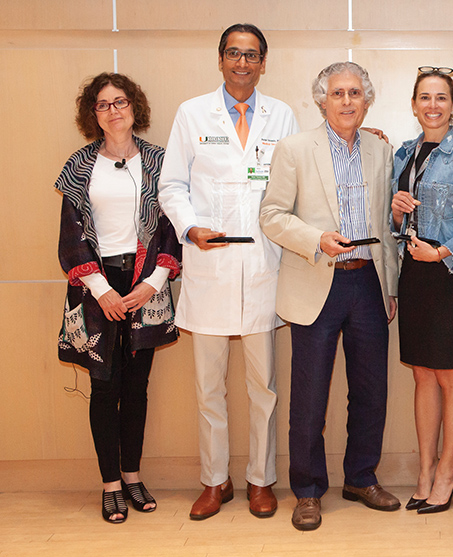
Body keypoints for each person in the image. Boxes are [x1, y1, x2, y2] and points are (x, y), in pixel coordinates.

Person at [158, 23, 300, 521]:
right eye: (234, 54)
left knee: (264, 388)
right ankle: (214, 481)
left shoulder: (282, 115)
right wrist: (190, 227)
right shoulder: (192, 113)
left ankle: (261, 481)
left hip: (263, 266)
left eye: (252, 55)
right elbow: (171, 184)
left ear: (264, 62)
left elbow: (299, 176)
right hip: (210, 264)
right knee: (208, 387)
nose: (243, 63)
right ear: (220, 59)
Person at [260, 61, 400, 531]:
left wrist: (391, 286)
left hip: (367, 284)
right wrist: (316, 238)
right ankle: (307, 490)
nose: (346, 101)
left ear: (367, 100)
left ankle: (361, 477)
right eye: (337, 93)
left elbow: (385, 222)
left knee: (370, 392)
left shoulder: (382, 151)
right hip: (317, 280)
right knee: (309, 398)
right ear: (321, 100)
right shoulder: (294, 149)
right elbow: (272, 216)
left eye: (355, 93)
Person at [55, 72, 181, 524]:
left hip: (148, 281)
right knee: (104, 387)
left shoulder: (162, 162)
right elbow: (70, 239)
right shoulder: (79, 165)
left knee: (138, 387)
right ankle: (109, 483)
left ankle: (132, 475)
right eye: (103, 104)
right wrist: (104, 290)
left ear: (135, 108)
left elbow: (172, 229)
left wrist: (152, 283)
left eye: (121, 101)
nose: (114, 110)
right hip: (96, 287)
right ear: (93, 113)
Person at [389, 67, 453, 514]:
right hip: (413, 274)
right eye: (425, 98)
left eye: (441, 98)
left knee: (450, 375)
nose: (432, 105)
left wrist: (443, 252)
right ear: (414, 105)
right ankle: (425, 469)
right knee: (421, 373)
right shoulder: (403, 154)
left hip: (449, 274)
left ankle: (449, 470)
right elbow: (395, 224)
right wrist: (395, 212)